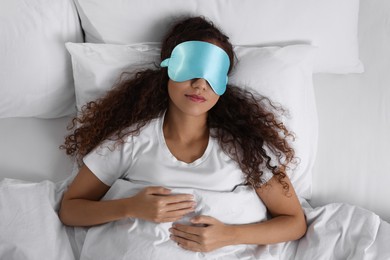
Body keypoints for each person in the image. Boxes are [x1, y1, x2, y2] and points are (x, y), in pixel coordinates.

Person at [59, 16, 307, 253]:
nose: (200, 84)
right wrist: (129, 206)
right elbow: (70, 210)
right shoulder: (130, 140)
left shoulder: (244, 148)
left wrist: (229, 235)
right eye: (191, 68)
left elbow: (294, 222)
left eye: (212, 75)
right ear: (168, 69)